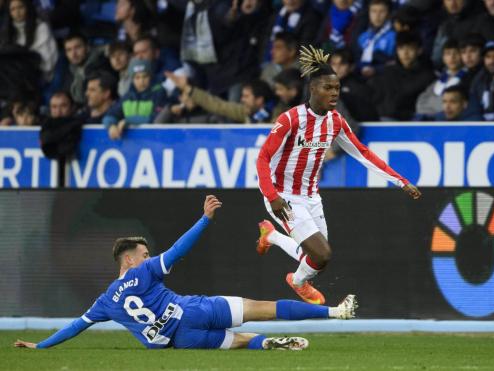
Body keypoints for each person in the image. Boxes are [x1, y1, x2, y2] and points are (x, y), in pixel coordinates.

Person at [14, 195, 358, 351]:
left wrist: (40, 346)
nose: (150, 256)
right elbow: (178, 251)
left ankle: (266, 346)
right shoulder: (143, 271)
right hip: (191, 310)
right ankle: (335, 312)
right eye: (145, 253)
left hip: (181, 341)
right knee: (264, 308)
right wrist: (204, 219)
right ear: (129, 260)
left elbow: (76, 326)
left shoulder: (106, 301)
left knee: (238, 344)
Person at [255, 45, 421, 305]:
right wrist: (272, 196)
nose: (334, 93)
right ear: (312, 89)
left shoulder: (336, 121)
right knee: (321, 254)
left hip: (311, 196)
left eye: (337, 89)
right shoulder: (290, 120)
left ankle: (272, 237)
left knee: (315, 257)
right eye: (327, 88)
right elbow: (262, 158)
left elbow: (363, 153)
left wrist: (401, 181)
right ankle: (297, 282)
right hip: (283, 195)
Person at [368, 31, 435, 121]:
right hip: (382, 120)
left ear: (419, 50)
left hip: (412, 123)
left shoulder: (428, 76)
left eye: (410, 48)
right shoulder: (387, 72)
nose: (405, 53)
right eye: (401, 48)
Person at [102, 59, 167, 140]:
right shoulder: (128, 96)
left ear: (150, 77)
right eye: (137, 78)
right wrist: (111, 125)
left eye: (145, 76)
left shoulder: (159, 93)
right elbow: (110, 115)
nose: (141, 81)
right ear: (132, 79)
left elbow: (156, 118)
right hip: (132, 143)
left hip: (154, 139)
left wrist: (129, 121)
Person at [415, 38, 467, 120]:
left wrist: (432, 102)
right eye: (448, 54)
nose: (452, 57)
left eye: (456, 53)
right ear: (443, 58)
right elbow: (420, 102)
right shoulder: (438, 79)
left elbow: (451, 106)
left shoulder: (466, 78)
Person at [355, 0, 396, 79]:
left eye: (382, 11)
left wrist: (376, 69)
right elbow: (357, 59)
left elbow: (393, 63)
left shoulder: (393, 36)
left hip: (384, 78)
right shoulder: (363, 37)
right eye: (373, 11)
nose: (377, 16)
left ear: (388, 14)